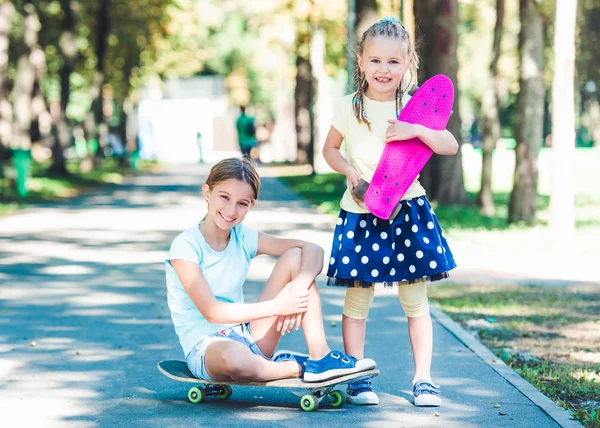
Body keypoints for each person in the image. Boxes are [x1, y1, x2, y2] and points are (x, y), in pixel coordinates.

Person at [322, 17, 458, 407]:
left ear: (408, 63)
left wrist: (415, 131)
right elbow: (330, 149)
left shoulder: (414, 106)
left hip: (407, 212)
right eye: (376, 61)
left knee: (415, 301)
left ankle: (423, 379)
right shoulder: (350, 107)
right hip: (361, 212)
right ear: (361, 62)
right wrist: (349, 172)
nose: (384, 69)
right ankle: (357, 376)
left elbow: (448, 144)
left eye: (394, 63)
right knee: (357, 300)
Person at [165, 157, 376, 385]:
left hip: (248, 336)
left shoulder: (242, 237)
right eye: (224, 197)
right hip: (207, 348)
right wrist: (278, 306)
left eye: (242, 203)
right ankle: (297, 366)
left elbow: (312, 249)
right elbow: (213, 312)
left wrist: (297, 289)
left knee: (296, 256)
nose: (231, 210)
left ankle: (320, 356)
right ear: (207, 192)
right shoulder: (186, 246)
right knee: (238, 361)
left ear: (251, 205)